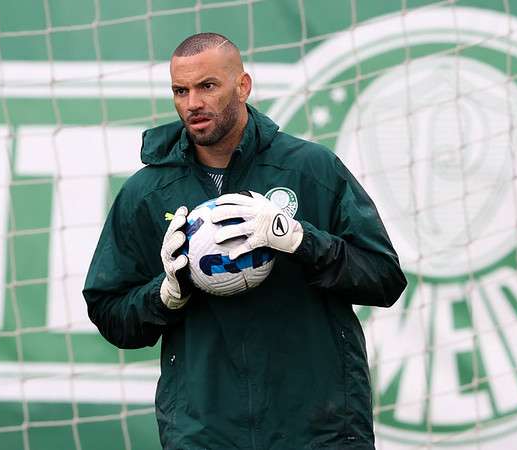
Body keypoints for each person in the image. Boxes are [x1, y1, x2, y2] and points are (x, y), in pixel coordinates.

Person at [83, 32, 407, 450]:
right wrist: (165, 296)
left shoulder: (311, 169)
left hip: (316, 430)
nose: (192, 103)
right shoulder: (148, 193)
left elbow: (384, 279)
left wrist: (299, 240)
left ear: (243, 85)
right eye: (180, 91)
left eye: (207, 86)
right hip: (204, 432)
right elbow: (110, 312)